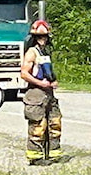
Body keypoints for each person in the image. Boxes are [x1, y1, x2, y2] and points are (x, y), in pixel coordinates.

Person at [20, 19, 62, 165]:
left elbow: (48, 71)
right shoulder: (31, 53)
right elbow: (24, 73)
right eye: (39, 37)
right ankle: (35, 157)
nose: (42, 39)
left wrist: (53, 81)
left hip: (48, 93)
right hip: (35, 93)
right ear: (34, 38)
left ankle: (53, 154)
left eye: (44, 37)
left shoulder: (46, 52)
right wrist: (40, 83)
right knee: (38, 126)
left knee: (54, 123)